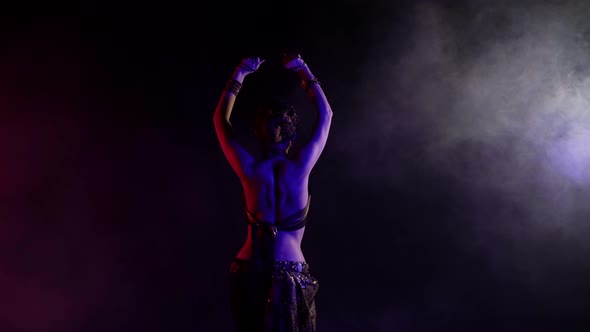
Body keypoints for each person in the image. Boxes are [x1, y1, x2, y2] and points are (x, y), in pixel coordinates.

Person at [212, 53, 333, 331]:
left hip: (249, 271)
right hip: (291, 270)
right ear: (291, 135)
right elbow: (326, 116)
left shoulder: (250, 169)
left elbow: (221, 122)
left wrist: (240, 73)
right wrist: (303, 69)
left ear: (257, 132)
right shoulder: (300, 167)